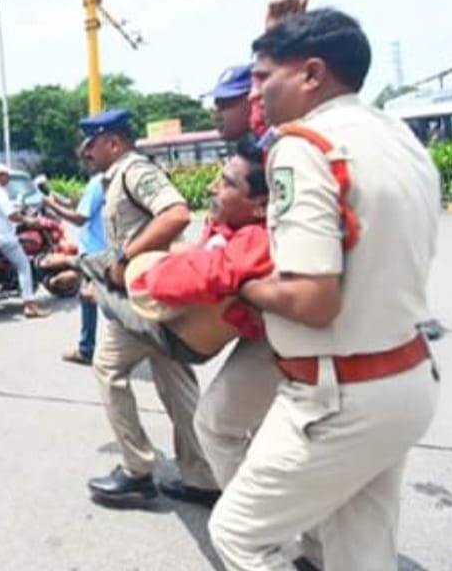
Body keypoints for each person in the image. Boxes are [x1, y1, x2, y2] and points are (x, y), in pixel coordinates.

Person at [209, 8, 442, 571]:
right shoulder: (397, 136)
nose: (255, 94)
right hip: (406, 379)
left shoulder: (303, 145)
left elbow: (314, 301)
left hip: (339, 396)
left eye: (265, 78)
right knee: (360, 552)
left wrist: (243, 283)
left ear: (312, 74)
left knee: (239, 534)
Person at [79, 109, 218, 507]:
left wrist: (125, 258)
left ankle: (137, 470)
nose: (87, 152)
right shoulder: (115, 177)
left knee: (107, 367)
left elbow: (175, 213)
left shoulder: (134, 171)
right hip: (153, 295)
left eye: (92, 144)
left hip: (146, 296)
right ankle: (204, 476)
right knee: (175, 382)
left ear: (114, 142)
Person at [128, 139, 282, 489]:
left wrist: (146, 277)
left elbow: (211, 272)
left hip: (283, 341)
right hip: (273, 338)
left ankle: (253, 527)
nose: (214, 186)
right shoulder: (246, 226)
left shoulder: (258, 237)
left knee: (216, 425)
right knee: (262, 434)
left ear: (261, 206)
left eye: (228, 183)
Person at [44, 137, 107, 365]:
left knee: (97, 300)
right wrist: (60, 201)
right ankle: (91, 347)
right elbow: (80, 206)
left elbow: (80, 218)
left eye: (86, 156)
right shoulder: (105, 179)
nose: (84, 162)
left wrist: (52, 207)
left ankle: (88, 349)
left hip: (95, 253)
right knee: (95, 299)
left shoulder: (97, 181)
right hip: (103, 251)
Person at [0, 164, 48, 319]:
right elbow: (11, 215)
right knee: (24, 266)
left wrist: (20, 212)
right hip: (4, 238)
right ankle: (29, 305)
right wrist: (28, 220)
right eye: (6, 176)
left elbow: (6, 210)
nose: (8, 179)